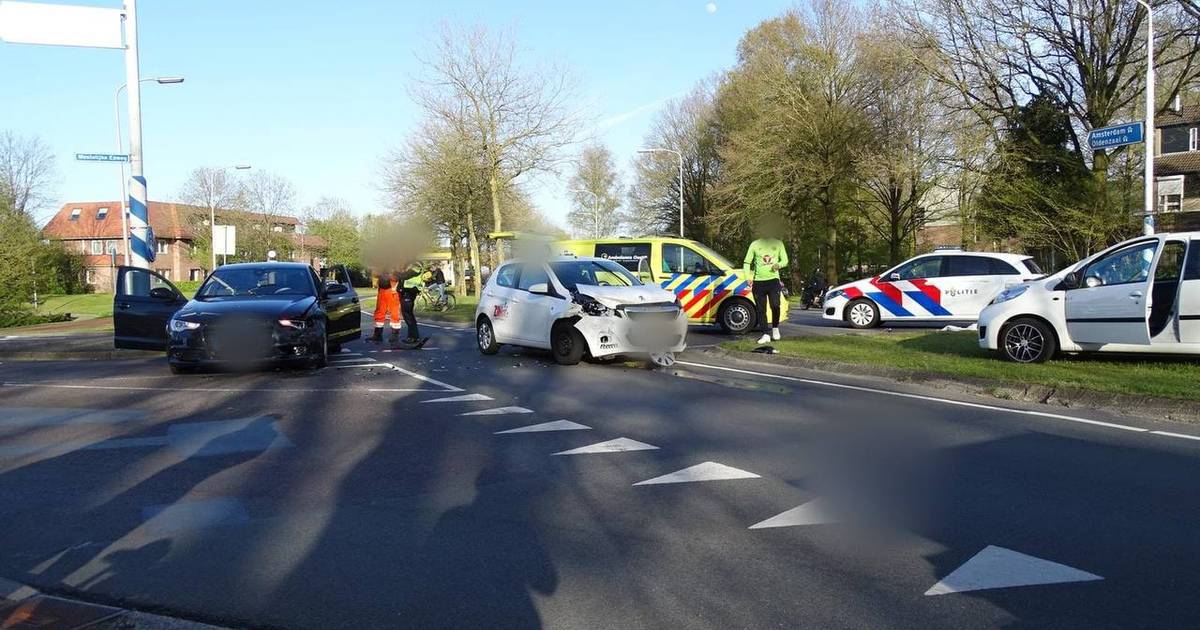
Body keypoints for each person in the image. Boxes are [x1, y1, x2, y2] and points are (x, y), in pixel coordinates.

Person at [743, 217, 789, 344]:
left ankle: (775, 328)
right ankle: (765, 334)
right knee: (761, 309)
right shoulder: (754, 245)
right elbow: (747, 262)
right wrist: (747, 278)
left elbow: (785, 260)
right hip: (758, 282)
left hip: (773, 280)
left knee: (775, 305)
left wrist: (778, 265)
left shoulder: (778, 244)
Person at [396, 261, 425, 344]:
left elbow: (404, 276)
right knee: (408, 315)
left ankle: (414, 337)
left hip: (409, 293)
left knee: (408, 315)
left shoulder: (416, 267)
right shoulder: (411, 267)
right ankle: (412, 336)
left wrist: (395, 272)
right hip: (407, 293)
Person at [371, 269, 401, 343]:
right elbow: (375, 274)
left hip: (392, 290)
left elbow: (397, 276)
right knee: (379, 311)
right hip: (382, 289)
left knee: (394, 312)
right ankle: (377, 334)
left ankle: (395, 335)